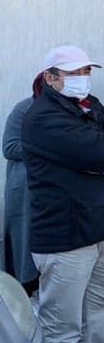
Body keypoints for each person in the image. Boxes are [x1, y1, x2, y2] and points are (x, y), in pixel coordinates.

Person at [22, 45, 104, 343]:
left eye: (86, 71)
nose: (83, 77)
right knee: (63, 327)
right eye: (74, 72)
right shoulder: (43, 117)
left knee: (99, 316)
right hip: (66, 238)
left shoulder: (89, 105)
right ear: (50, 78)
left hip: (100, 232)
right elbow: (97, 152)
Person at [2, 76, 41, 295]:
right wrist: (49, 146)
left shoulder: (76, 111)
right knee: (22, 247)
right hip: (26, 192)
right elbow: (10, 147)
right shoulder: (24, 109)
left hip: (56, 193)